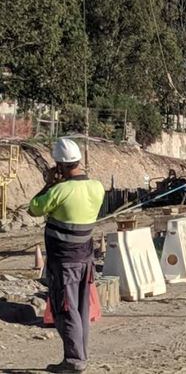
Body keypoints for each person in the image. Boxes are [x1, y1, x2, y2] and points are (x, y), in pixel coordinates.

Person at [29, 138, 105, 373]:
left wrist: (50, 184)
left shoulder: (59, 191)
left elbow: (34, 208)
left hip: (64, 263)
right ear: (79, 161)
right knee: (81, 310)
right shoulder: (97, 187)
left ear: (60, 166)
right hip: (86, 259)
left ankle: (74, 361)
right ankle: (80, 356)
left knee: (66, 310)